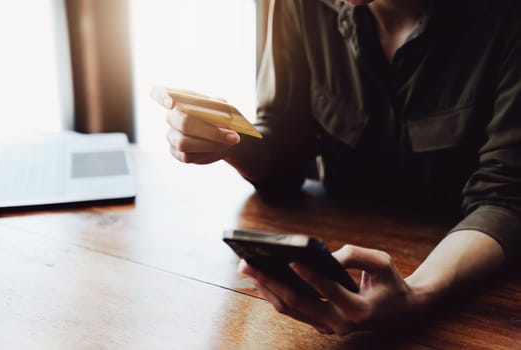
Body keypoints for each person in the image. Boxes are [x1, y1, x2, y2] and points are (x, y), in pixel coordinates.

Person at [151, 0, 521, 335]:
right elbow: (285, 141)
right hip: (342, 241)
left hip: (483, 295)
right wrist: (230, 140)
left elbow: (506, 200)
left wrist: (419, 292)